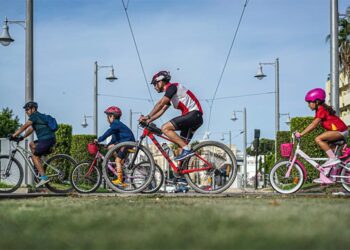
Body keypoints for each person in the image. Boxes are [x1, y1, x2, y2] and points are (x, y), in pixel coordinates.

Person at [139, 70, 203, 161]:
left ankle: (187, 149)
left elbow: (161, 103)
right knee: (181, 146)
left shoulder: (172, 87)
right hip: (195, 118)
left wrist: (148, 116)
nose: (154, 87)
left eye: (155, 84)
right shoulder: (171, 94)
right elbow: (161, 111)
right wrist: (148, 121)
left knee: (165, 128)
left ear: (161, 81)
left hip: (193, 115)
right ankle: (181, 172)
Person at [296, 88, 348, 184]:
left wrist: (301, 134)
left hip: (340, 131)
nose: (308, 105)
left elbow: (314, 124)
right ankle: (327, 176)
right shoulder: (320, 110)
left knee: (318, 139)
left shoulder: (321, 110)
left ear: (317, 101)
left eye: (309, 102)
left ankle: (333, 160)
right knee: (330, 155)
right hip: (339, 131)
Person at [11, 101, 56, 187]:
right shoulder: (38, 117)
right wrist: (22, 137)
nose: (26, 111)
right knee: (31, 144)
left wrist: (14, 135)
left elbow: (24, 126)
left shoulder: (34, 116)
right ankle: (38, 167)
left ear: (33, 109)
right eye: (25, 110)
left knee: (34, 156)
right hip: (48, 139)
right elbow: (31, 129)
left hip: (46, 140)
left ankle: (43, 177)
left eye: (27, 109)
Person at [94, 106, 135, 185]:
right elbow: (114, 139)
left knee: (117, 161)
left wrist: (99, 139)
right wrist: (107, 145)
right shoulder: (117, 125)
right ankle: (120, 165)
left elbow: (108, 132)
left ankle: (120, 179)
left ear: (111, 116)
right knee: (110, 147)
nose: (107, 119)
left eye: (107, 116)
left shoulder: (115, 124)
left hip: (126, 143)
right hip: (125, 142)